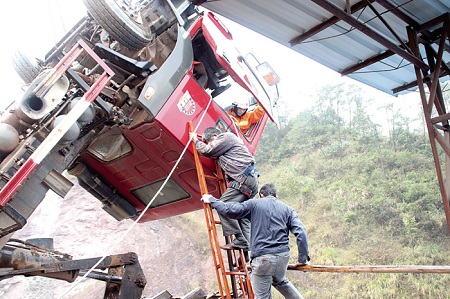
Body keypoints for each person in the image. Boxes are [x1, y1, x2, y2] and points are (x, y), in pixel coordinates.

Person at [201, 183, 310, 299]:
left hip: (263, 258)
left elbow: (231, 210)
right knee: (280, 281)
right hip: (283, 257)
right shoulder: (288, 209)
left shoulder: (254, 204)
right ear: (276, 196)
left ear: (261, 195)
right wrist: (303, 259)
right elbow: (301, 231)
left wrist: (212, 200)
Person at [190, 127, 259, 252]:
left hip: (243, 179)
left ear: (215, 135)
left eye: (210, 141)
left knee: (223, 205)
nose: (212, 145)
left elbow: (207, 151)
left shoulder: (226, 137)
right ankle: (249, 246)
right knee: (241, 214)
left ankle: (240, 238)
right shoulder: (228, 147)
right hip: (249, 180)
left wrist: (196, 140)